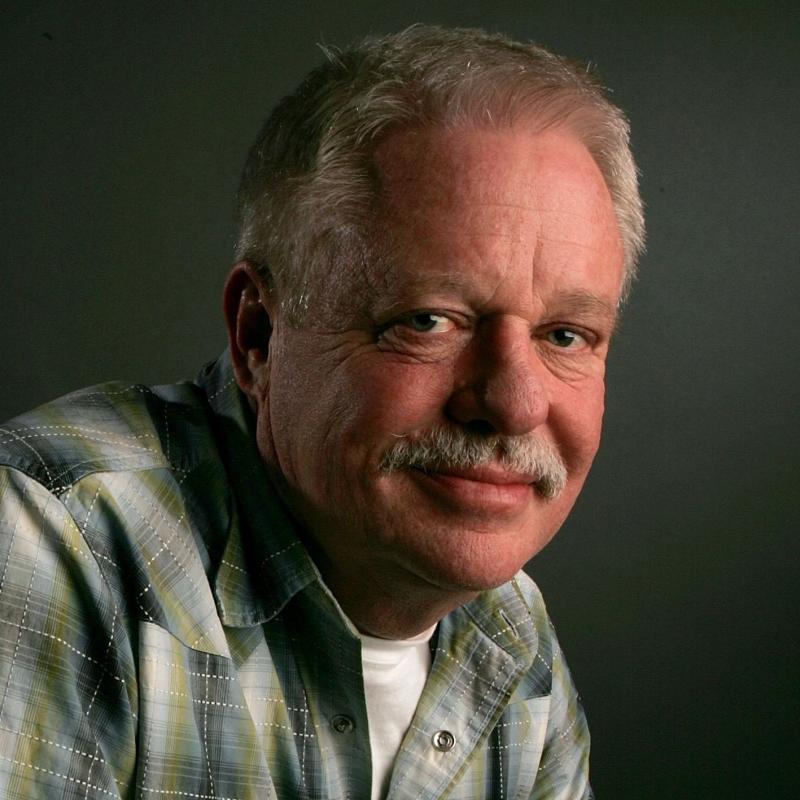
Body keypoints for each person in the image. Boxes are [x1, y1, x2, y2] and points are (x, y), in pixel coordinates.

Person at [0, 24, 644, 800]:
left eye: (566, 335)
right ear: (258, 336)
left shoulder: (508, 635)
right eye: (428, 320)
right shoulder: (54, 542)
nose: (513, 402)